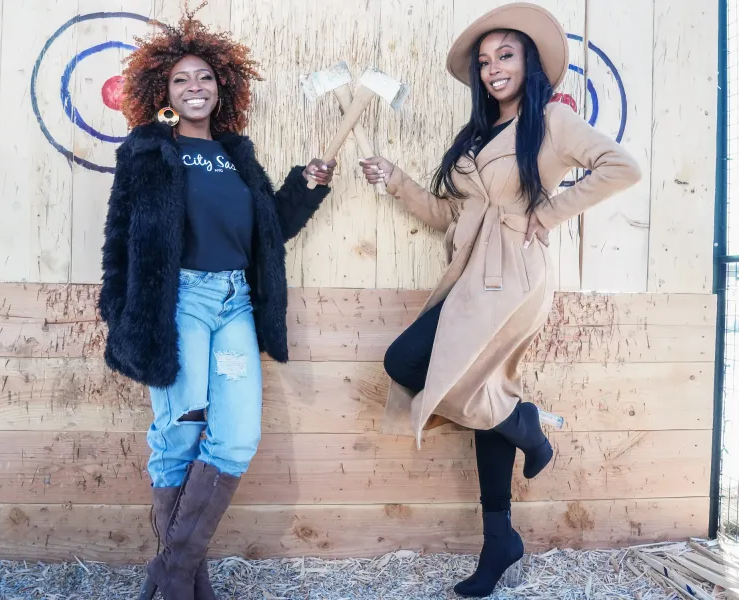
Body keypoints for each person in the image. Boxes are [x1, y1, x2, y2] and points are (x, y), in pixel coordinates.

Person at [360, 3, 642, 597]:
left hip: (514, 275)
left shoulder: (552, 124)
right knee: (484, 391)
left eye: (505, 55)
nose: (493, 68)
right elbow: (452, 215)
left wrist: (550, 210)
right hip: (470, 274)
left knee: (406, 362)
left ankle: (525, 424)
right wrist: (398, 182)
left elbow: (621, 166)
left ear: (530, 62)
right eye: (485, 61)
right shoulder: (476, 136)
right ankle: (500, 540)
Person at [97, 9, 336, 600]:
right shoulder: (149, 151)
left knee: (233, 440)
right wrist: (123, 313)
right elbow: (119, 237)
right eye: (181, 79)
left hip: (235, 303)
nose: (194, 86)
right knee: (180, 435)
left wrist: (306, 187)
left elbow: (269, 231)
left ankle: (169, 573)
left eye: (204, 76)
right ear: (164, 93)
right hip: (177, 301)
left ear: (221, 86)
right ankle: (186, 583)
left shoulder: (238, 157)